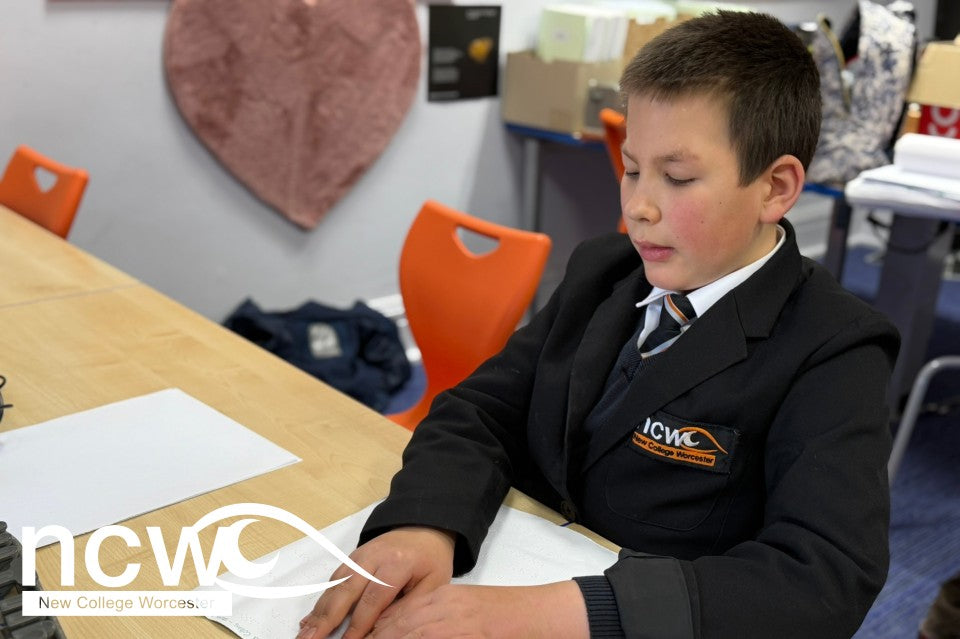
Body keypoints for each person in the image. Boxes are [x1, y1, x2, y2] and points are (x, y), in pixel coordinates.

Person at [299, 10, 900, 639]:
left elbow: (823, 578)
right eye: (633, 168)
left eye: (678, 177)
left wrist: (560, 613)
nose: (639, 206)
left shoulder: (837, 347)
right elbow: (485, 408)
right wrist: (426, 521)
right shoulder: (604, 272)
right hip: (504, 565)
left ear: (775, 188)